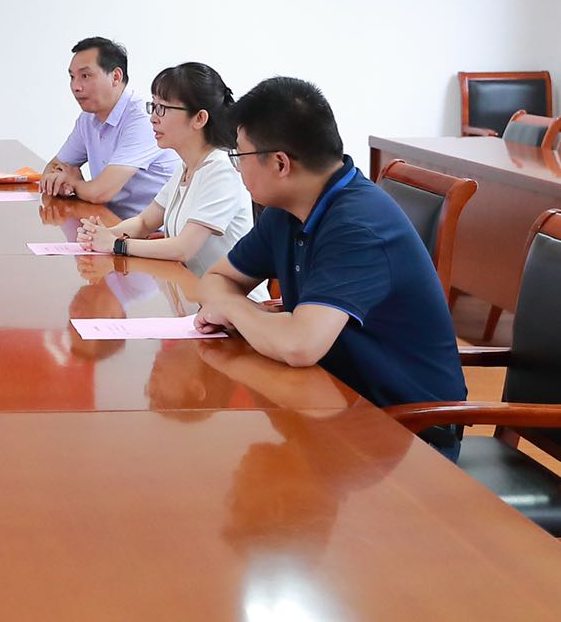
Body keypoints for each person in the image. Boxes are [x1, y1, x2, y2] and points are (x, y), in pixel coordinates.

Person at [195, 77, 467, 456]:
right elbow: (215, 279)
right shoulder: (287, 209)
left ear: (280, 163)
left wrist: (234, 310)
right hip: (332, 404)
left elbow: (299, 345)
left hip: (407, 433)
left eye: (240, 156)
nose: (238, 170)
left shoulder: (358, 225)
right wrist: (249, 312)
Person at [77, 62, 253, 299]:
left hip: (232, 307)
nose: (153, 118)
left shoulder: (221, 170)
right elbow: (144, 222)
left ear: (199, 118)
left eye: (163, 108)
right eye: (153, 106)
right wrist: (102, 234)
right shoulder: (186, 167)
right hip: (196, 300)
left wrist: (115, 244)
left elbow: (183, 248)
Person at [41, 37, 180, 216]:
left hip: (150, 229)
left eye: (85, 76)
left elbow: (100, 193)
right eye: (72, 77)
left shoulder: (142, 120)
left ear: (116, 77)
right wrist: (60, 183)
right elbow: (52, 168)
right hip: (109, 222)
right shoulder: (87, 118)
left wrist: (74, 183)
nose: (75, 87)